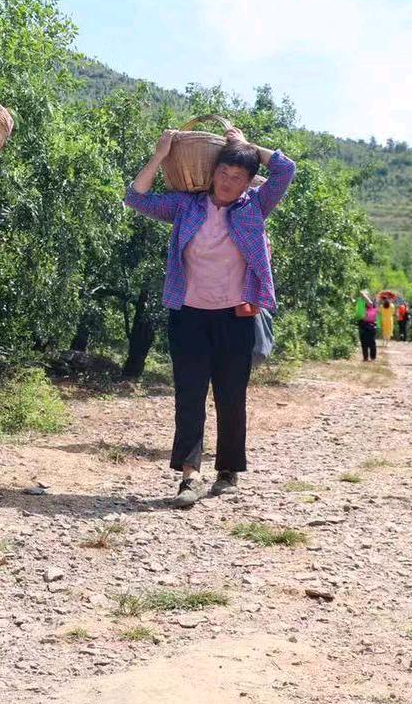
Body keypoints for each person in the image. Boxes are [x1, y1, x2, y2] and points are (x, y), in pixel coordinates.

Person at [125, 127, 296, 507]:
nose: (227, 182)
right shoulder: (186, 205)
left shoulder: (254, 206)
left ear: (249, 183)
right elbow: (135, 197)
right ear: (212, 171)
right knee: (189, 395)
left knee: (231, 396)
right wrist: (160, 154)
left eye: (237, 178)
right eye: (223, 173)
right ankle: (189, 476)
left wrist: (249, 146)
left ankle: (228, 471)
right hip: (189, 314)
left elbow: (286, 168)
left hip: (236, 316)